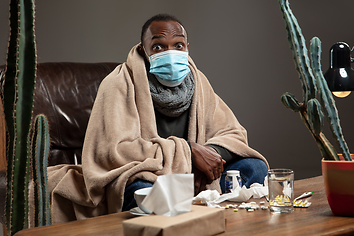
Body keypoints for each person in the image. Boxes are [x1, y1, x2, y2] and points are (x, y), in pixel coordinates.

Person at [47, 13, 268, 224]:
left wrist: (208, 158)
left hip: (195, 177)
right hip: (149, 176)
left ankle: (196, 211)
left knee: (254, 166)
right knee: (141, 190)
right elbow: (115, 151)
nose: (170, 52)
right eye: (159, 46)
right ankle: (190, 215)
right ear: (144, 51)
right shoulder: (118, 84)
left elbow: (234, 134)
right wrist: (189, 153)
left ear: (187, 48)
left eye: (178, 45)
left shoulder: (198, 82)